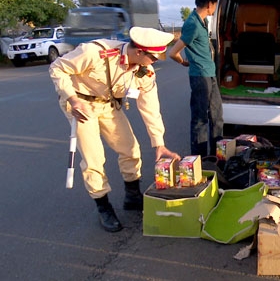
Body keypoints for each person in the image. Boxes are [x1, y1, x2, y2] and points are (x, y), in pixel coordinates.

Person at [49, 27, 182, 232]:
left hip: (109, 105)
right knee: (94, 159)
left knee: (131, 149)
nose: (156, 62)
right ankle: (103, 207)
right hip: (81, 105)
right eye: (154, 58)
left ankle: (132, 196)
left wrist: (159, 143)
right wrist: (72, 99)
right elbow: (57, 68)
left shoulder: (144, 71)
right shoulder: (95, 53)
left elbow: (150, 106)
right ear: (139, 52)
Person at [169, 0, 223, 158]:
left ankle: (216, 156)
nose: (215, 7)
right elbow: (173, 52)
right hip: (200, 76)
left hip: (210, 73)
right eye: (215, 4)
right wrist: (184, 62)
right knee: (200, 120)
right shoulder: (192, 23)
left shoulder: (203, 21)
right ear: (209, 4)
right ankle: (198, 159)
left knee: (217, 115)